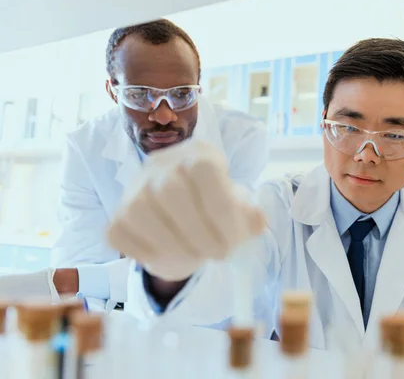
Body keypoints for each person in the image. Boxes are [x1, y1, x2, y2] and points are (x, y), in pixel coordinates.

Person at [107, 38, 404, 378]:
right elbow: (216, 294)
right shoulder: (276, 205)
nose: (366, 154)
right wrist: (171, 273)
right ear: (323, 126)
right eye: (347, 127)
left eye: (395, 135)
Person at [48, 19, 268, 309]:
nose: (164, 116)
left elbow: (228, 261)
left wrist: (92, 277)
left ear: (198, 87)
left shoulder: (240, 137)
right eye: (140, 95)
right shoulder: (85, 145)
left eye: (181, 94)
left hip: (220, 329)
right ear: (113, 90)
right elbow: (81, 270)